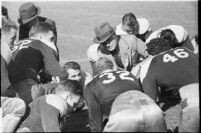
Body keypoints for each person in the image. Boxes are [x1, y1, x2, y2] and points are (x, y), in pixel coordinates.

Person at [140, 38, 199, 132]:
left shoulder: (148, 65)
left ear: (151, 54)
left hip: (193, 104)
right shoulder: (185, 50)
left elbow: (150, 103)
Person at [8, 22, 67, 104]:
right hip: (26, 92)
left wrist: (46, 76)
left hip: (6, 92)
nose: (53, 42)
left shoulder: (18, 43)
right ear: (40, 37)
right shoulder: (42, 44)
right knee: (64, 88)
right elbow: (61, 74)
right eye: (51, 38)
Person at [83, 57, 143, 132]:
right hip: (142, 113)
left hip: (120, 118)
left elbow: (95, 116)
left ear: (97, 72)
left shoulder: (91, 85)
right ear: (114, 67)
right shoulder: (130, 74)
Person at [16, 80, 82, 132]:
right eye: (74, 104)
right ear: (68, 96)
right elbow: (52, 129)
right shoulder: (54, 102)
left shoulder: (48, 101)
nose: (74, 108)